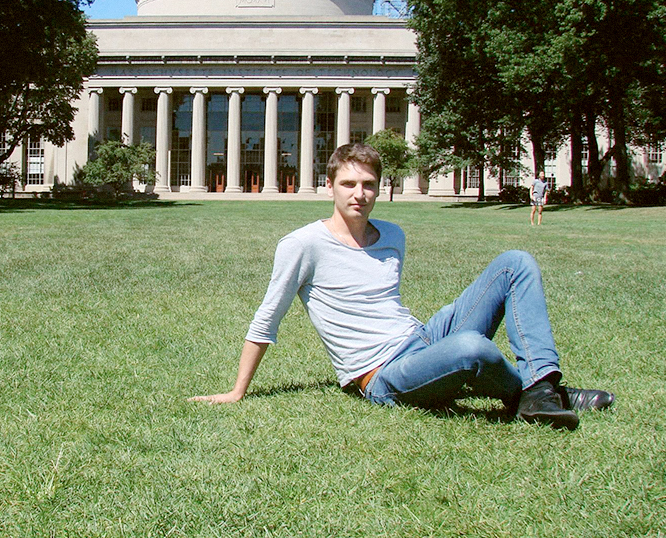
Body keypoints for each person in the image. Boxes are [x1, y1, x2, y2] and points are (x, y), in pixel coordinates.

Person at [190, 143, 613, 430]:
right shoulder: (303, 245)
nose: (360, 194)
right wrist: (237, 391)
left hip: (421, 339)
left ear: (380, 187)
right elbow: (268, 318)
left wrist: (427, 343)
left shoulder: (393, 235)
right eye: (348, 184)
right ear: (329, 187)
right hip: (381, 375)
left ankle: (540, 387)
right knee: (472, 347)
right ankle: (543, 395)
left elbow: (385, 307)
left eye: (368, 184)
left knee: (514, 264)